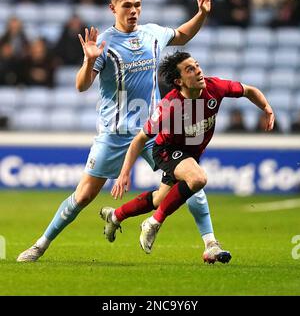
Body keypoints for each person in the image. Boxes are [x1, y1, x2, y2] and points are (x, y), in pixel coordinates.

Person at [17, 0, 215, 262]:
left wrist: (202, 13)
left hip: (153, 133)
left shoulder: (153, 34)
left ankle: (211, 244)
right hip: (114, 134)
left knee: (191, 177)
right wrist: (89, 61)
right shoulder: (104, 44)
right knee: (84, 196)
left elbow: (182, 34)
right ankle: (40, 245)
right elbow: (81, 85)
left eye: (137, 5)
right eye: (127, 6)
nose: (133, 11)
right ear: (113, 8)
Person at [107, 51, 274, 262]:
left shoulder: (215, 88)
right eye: (190, 69)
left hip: (189, 154)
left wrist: (266, 108)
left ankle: (116, 215)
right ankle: (154, 223)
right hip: (166, 150)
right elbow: (139, 140)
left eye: (196, 65)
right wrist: (124, 173)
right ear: (179, 81)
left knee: (160, 199)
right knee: (198, 179)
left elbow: (249, 90)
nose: (198, 71)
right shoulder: (169, 107)